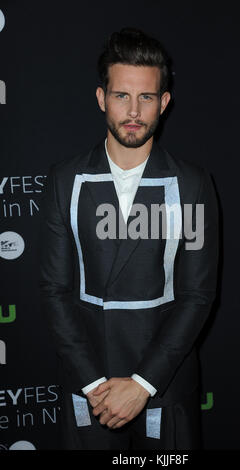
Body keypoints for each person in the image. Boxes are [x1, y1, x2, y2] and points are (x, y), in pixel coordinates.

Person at [39, 27, 219, 450]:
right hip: (90, 390)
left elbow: (196, 295)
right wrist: (96, 384)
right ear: (102, 98)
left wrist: (142, 383)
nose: (134, 111)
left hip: (163, 387)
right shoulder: (66, 181)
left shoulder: (190, 184)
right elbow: (54, 291)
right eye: (122, 96)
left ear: (164, 103)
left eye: (147, 97)